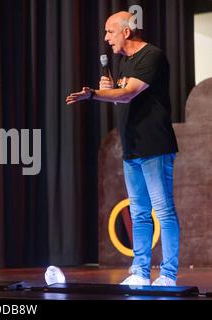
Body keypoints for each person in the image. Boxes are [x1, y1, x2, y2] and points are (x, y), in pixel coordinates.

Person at [66, 11, 180, 286]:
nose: (106, 39)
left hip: (154, 145)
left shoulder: (151, 56)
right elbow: (123, 99)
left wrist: (94, 94)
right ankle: (140, 272)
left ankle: (168, 274)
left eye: (110, 32)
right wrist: (106, 92)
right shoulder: (124, 63)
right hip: (132, 147)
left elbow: (129, 92)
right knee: (139, 212)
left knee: (163, 211)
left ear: (126, 32)